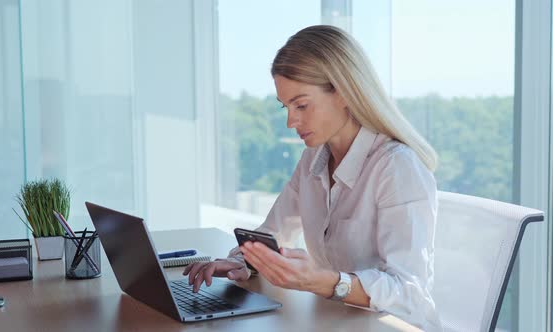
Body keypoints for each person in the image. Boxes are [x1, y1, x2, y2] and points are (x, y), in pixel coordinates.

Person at [183, 25, 442, 331]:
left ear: (344, 92)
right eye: (286, 106)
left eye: (302, 105)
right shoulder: (313, 159)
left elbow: (409, 293)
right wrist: (243, 261)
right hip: (337, 322)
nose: (291, 121)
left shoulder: (397, 168)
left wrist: (326, 282)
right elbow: (272, 234)